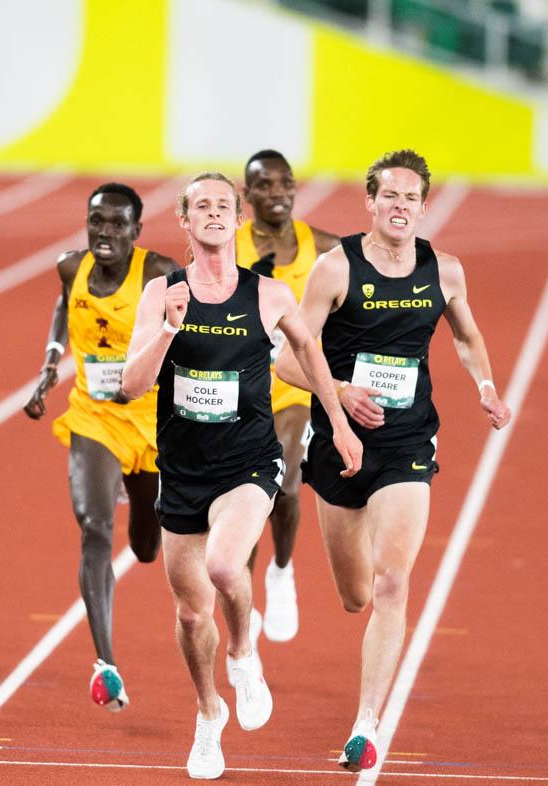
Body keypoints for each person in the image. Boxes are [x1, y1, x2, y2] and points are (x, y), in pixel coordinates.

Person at [275, 150, 512, 771]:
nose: (401, 206)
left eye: (412, 198)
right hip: (339, 445)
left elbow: (465, 335)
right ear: (371, 203)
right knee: (355, 595)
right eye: (390, 196)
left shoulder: (446, 271)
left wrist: (485, 386)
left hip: (408, 445)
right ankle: (362, 681)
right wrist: (341, 395)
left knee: (392, 580)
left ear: (423, 207)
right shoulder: (335, 269)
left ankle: (365, 724)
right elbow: (283, 358)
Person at [120, 172, 361, 780]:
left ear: (237, 218)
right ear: (184, 219)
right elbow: (130, 386)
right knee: (190, 613)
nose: (213, 214)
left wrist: (338, 420)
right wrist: (170, 326)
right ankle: (208, 716)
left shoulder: (268, 295)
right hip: (182, 471)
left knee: (226, 567)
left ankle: (245, 654)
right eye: (201, 205)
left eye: (223, 205)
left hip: (248, 463)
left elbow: (309, 354)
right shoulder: (162, 294)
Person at [23, 182, 177, 713]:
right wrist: (49, 365)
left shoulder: (158, 273)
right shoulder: (71, 266)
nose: (104, 233)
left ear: (137, 231)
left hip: (152, 421)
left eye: (117, 225)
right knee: (93, 527)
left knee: (147, 547)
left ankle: (135, 500)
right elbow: (66, 306)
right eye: (96, 222)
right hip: (94, 416)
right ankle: (106, 664)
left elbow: (189, 326)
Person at [235, 149, 339, 645]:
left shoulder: (321, 246)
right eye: (266, 185)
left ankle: (281, 572)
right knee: (244, 500)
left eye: (285, 183)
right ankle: (246, 595)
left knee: (288, 481)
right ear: (247, 194)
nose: (278, 193)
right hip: (235, 393)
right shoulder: (224, 247)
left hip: (292, 385)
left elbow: (359, 298)